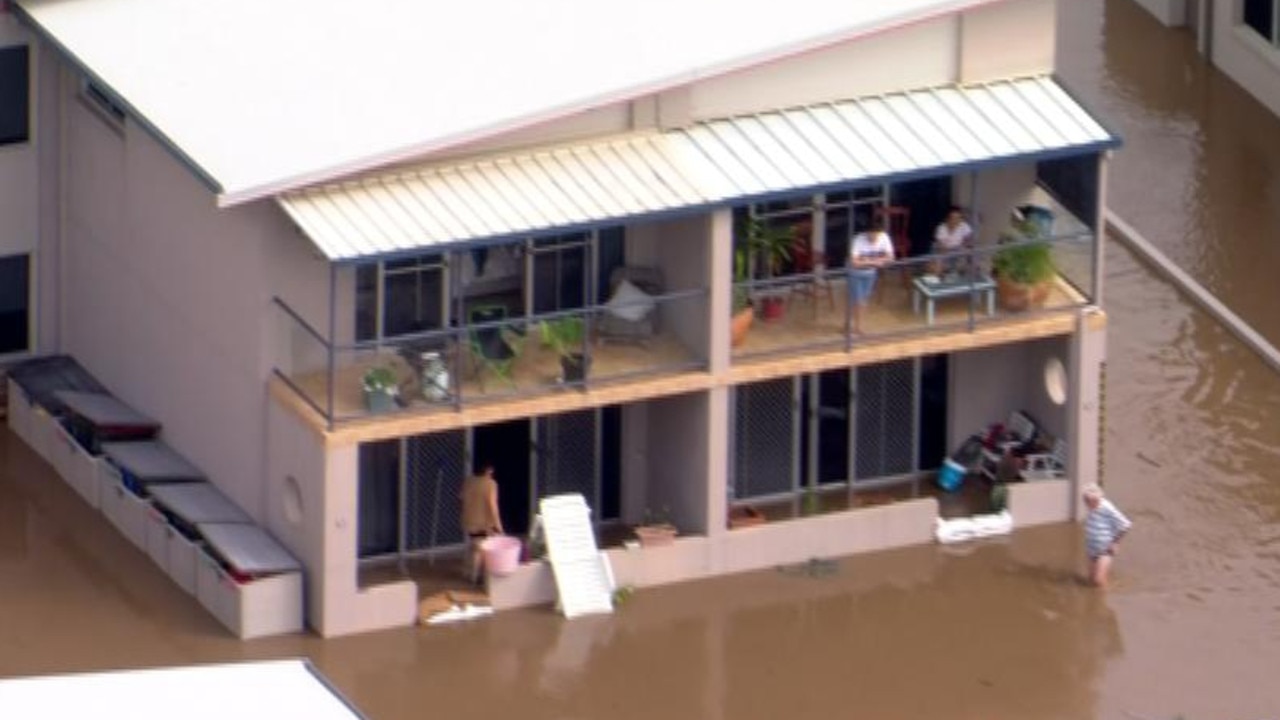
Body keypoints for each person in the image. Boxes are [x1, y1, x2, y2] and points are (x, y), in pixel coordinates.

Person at [847, 217, 895, 335]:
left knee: (863, 300)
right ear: (867, 233)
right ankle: (857, 327)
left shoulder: (884, 237)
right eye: (871, 235)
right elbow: (854, 262)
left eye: (876, 235)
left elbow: (891, 257)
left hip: (870, 273)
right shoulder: (858, 239)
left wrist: (870, 261)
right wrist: (873, 262)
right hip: (855, 273)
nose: (874, 238)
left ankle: (851, 322)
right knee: (858, 300)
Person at [460, 463, 504, 583]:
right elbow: (492, 505)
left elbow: (461, 498)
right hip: (483, 523)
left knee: (473, 546)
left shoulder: (468, 481)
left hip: (468, 520)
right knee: (479, 550)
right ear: (488, 470)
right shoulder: (491, 484)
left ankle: (467, 572)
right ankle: (474, 577)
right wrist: (498, 525)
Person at [1082, 483, 1132, 588]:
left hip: (1105, 549)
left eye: (1089, 501)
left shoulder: (1107, 507)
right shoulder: (1091, 507)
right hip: (1092, 548)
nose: (1087, 504)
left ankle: (1102, 601)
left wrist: (1115, 543)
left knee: (1098, 581)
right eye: (1085, 500)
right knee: (1090, 580)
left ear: (1097, 499)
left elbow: (1126, 524)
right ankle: (1093, 600)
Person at [932, 205, 973, 275]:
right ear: (947, 219)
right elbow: (941, 247)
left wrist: (965, 248)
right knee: (938, 263)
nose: (956, 221)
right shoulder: (941, 228)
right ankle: (940, 278)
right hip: (944, 249)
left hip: (958, 248)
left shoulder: (964, 226)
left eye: (958, 218)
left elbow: (968, 240)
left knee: (970, 257)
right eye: (953, 218)